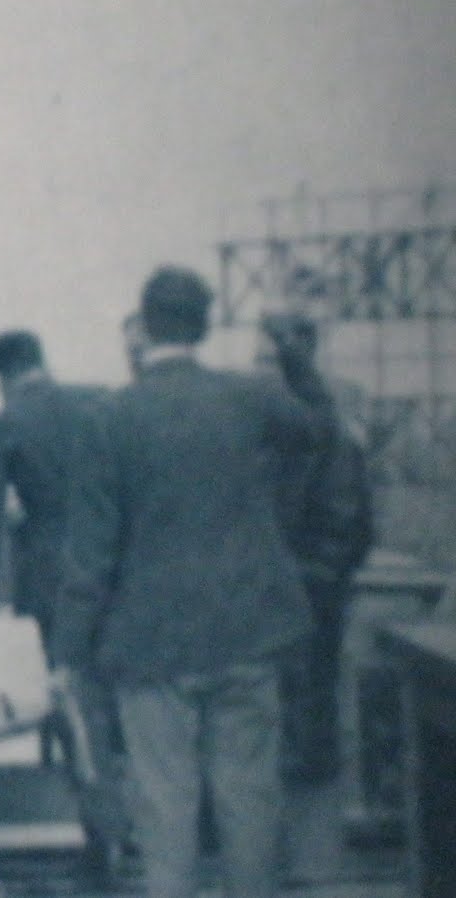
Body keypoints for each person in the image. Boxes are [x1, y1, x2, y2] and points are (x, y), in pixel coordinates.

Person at [52, 266, 331, 898]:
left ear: (145, 328)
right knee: (249, 799)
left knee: (164, 804)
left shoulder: (109, 418)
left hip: (152, 646)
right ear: (203, 328)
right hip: (248, 634)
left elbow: (90, 558)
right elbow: (321, 431)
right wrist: (295, 356)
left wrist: (67, 653)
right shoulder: (250, 397)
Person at [257, 311, 375, 878]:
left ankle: (299, 860)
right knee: (312, 712)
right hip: (318, 586)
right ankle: (309, 859)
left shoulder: (301, 432)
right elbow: (356, 523)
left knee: (295, 716)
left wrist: (304, 571)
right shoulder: (332, 427)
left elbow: (336, 517)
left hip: (297, 588)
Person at [0, 329, 107, 648]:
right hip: (108, 562)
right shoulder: (98, 402)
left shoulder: (1, 426)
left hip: (48, 573)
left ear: (3, 379)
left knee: (64, 677)